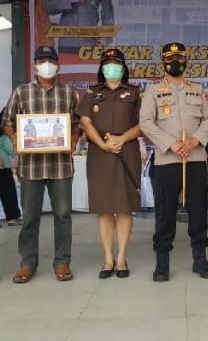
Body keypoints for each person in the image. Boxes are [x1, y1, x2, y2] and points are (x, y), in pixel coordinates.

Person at [139, 42, 208, 282]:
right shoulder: (152, 91)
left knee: (198, 210)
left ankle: (200, 259)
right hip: (166, 159)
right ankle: (162, 262)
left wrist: (195, 140)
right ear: (162, 63)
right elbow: (146, 122)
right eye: (170, 59)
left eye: (179, 58)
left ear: (186, 61)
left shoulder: (197, 89)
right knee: (165, 212)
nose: (175, 63)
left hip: (194, 158)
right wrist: (171, 144)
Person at [4, 46, 80, 283]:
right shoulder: (21, 92)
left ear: (58, 65)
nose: (46, 64)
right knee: (30, 217)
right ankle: (27, 263)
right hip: (31, 166)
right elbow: (8, 121)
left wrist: (74, 140)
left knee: (63, 215)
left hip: (60, 165)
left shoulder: (69, 93)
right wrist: (16, 139)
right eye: (42, 60)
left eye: (51, 60)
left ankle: (62, 263)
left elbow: (77, 122)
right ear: (34, 64)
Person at [77, 48, 142, 279]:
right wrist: (103, 145)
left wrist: (122, 138)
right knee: (104, 208)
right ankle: (107, 258)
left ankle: (122, 257)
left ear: (123, 68)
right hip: (100, 153)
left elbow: (143, 123)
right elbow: (85, 122)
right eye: (107, 64)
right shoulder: (92, 93)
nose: (111, 68)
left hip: (127, 151)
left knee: (124, 207)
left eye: (116, 64)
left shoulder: (134, 93)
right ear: (101, 68)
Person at [0, 109, 22, 226]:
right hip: (2, 167)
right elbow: (12, 152)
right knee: (8, 193)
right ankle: (12, 217)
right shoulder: (3, 137)